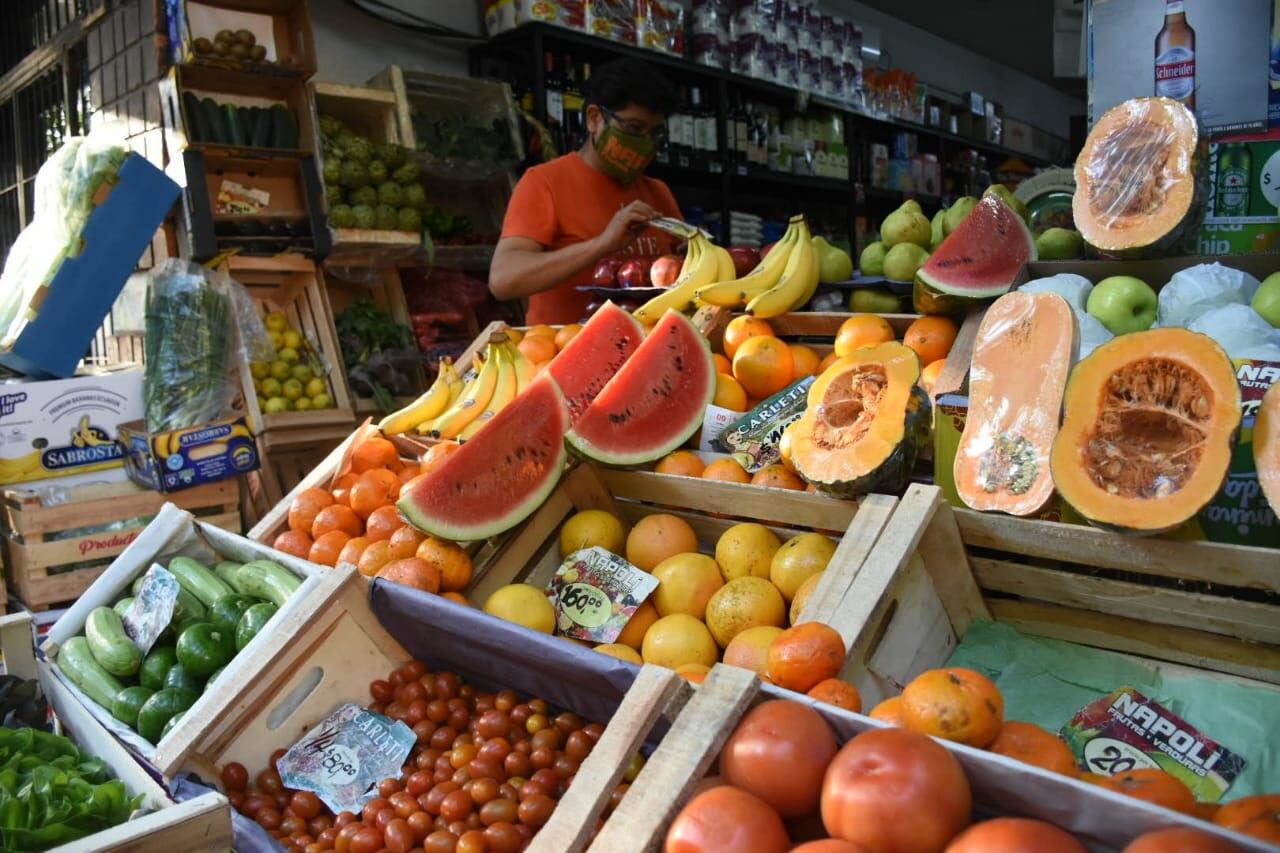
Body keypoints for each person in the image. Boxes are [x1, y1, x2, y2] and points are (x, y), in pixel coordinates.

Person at [490, 57, 684, 325]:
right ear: (594, 119)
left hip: (647, 348)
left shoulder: (658, 191)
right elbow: (503, 280)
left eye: (654, 134)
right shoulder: (544, 182)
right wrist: (602, 245)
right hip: (563, 352)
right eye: (634, 129)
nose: (644, 143)